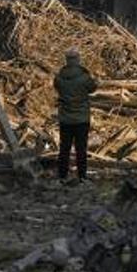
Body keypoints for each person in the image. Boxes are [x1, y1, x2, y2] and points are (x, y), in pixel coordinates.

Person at [54, 48, 97, 182]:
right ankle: (82, 176)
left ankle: (62, 176)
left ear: (66, 60)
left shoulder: (59, 77)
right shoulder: (84, 77)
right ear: (78, 59)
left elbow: (57, 87)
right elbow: (92, 88)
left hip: (65, 119)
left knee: (64, 149)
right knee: (81, 149)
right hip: (81, 119)